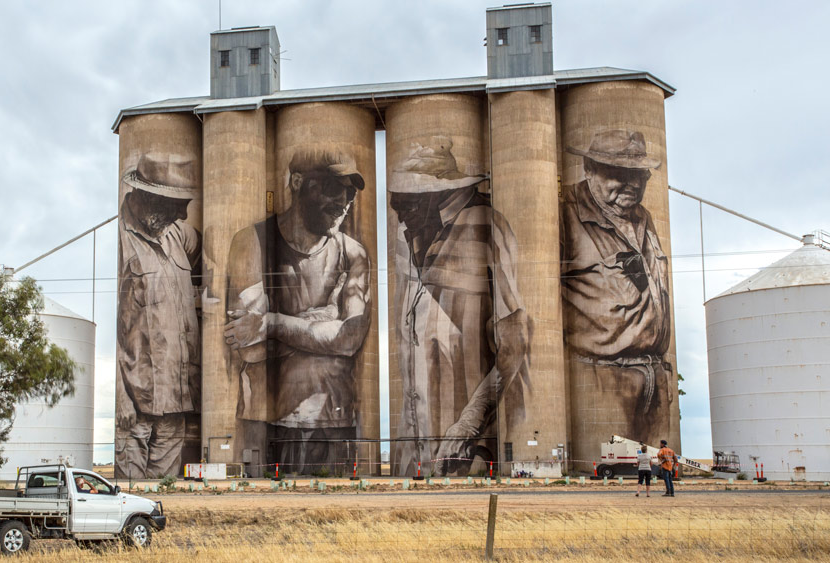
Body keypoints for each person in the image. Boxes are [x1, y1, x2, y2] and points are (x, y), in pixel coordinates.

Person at [387, 137, 530, 477]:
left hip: (464, 444)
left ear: (436, 195)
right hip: (416, 443)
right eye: (396, 207)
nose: (401, 217)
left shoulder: (487, 226)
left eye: (407, 205)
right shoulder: (409, 239)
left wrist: (469, 425)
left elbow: (515, 345)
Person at [224, 151, 372, 473]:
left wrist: (272, 322)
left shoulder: (352, 253)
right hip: (265, 422)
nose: (344, 202)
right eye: (334, 188)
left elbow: (349, 339)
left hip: (335, 421)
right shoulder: (252, 243)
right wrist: (326, 315)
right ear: (298, 182)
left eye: (349, 193)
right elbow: (251, 348)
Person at [561, 129, 673, 457]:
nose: (632, 184)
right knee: (611, 471)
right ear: (588, 169)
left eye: (639, 175)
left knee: (654, 472)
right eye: (618, 173)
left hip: (655, 381)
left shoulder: (644, 217)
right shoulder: (564, 213)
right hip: (602, 381)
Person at [115, 154, 203, 479]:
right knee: (129, 496)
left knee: (162, 499)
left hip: (176, 399)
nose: (183, 214)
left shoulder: (175, 234)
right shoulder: (121, 241)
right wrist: (121, 398)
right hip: (135, 404)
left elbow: (213, 250)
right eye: (177, 204)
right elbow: (115, 324)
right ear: (148, 196)